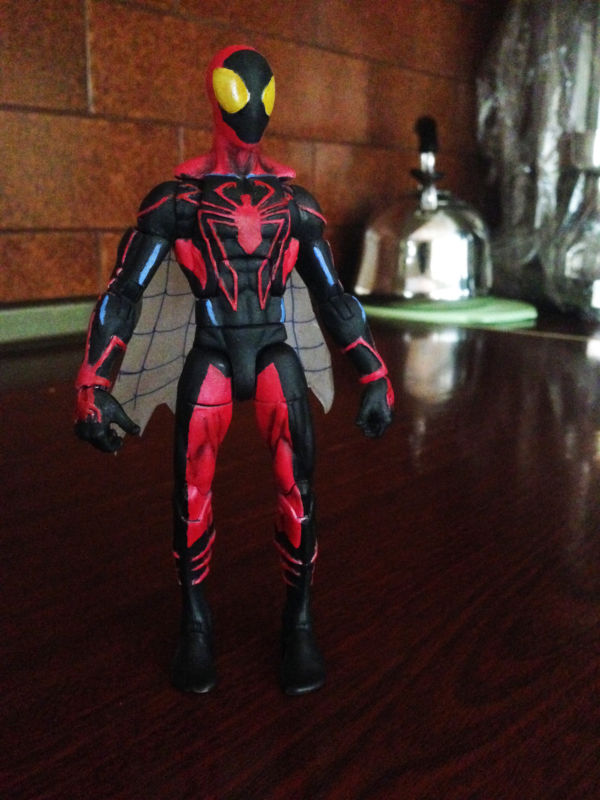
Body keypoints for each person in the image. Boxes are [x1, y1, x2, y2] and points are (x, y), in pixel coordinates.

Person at [74, 44, 394, 695]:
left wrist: (373, 372)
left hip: (274, 348)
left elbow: (334, 296)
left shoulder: (294, 204)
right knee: (192, 488)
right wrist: (92, 383)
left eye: (260, 93)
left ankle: (298, 621)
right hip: (213, 350)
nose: (250, 106)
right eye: (237, 91)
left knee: (298, 487)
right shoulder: (179, 201)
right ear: (217, 95)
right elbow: (124, 293)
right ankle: (195, 624)